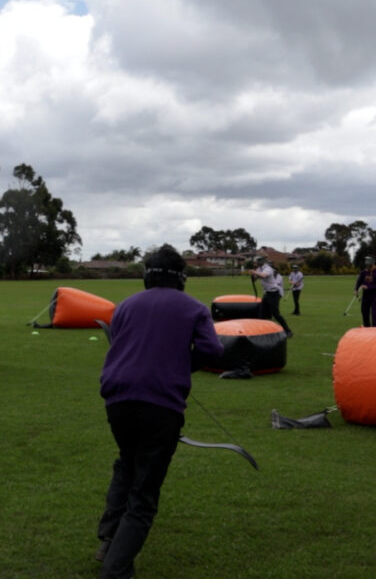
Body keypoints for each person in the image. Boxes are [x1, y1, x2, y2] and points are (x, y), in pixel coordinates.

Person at [95, 244, 224, 579]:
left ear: (147, 276)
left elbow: (119, 344)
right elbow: (213, 350)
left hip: (117, 401)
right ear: (181, 278)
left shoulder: (124, 306)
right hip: (160, 406)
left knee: (127, 460)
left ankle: (109, 539)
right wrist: (181, 365)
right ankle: (116, 570)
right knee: (145, 493)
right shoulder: (194, 308)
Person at [249, 256, 293, 338]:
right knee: (261, 314)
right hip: (267, 293)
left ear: (261, 261)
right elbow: (255, 279)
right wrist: (253, 275)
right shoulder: (259, 268)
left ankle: (288, 331)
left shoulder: (268, 268)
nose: (256, 263)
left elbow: (263, 275)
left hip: (274, 293)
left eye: (257, 262)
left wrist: (254, 272)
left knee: (276, 314)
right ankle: (261, 332)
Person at [354, 255, 376, 327]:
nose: (367, 267)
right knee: (364, 312)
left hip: (374, 296)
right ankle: (366, 329)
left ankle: (374, 330)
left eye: (369, 265)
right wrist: (356, 289)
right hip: (365, 296)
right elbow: (359, 281)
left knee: (374, 314)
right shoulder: (363, 272)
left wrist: (368, 287)